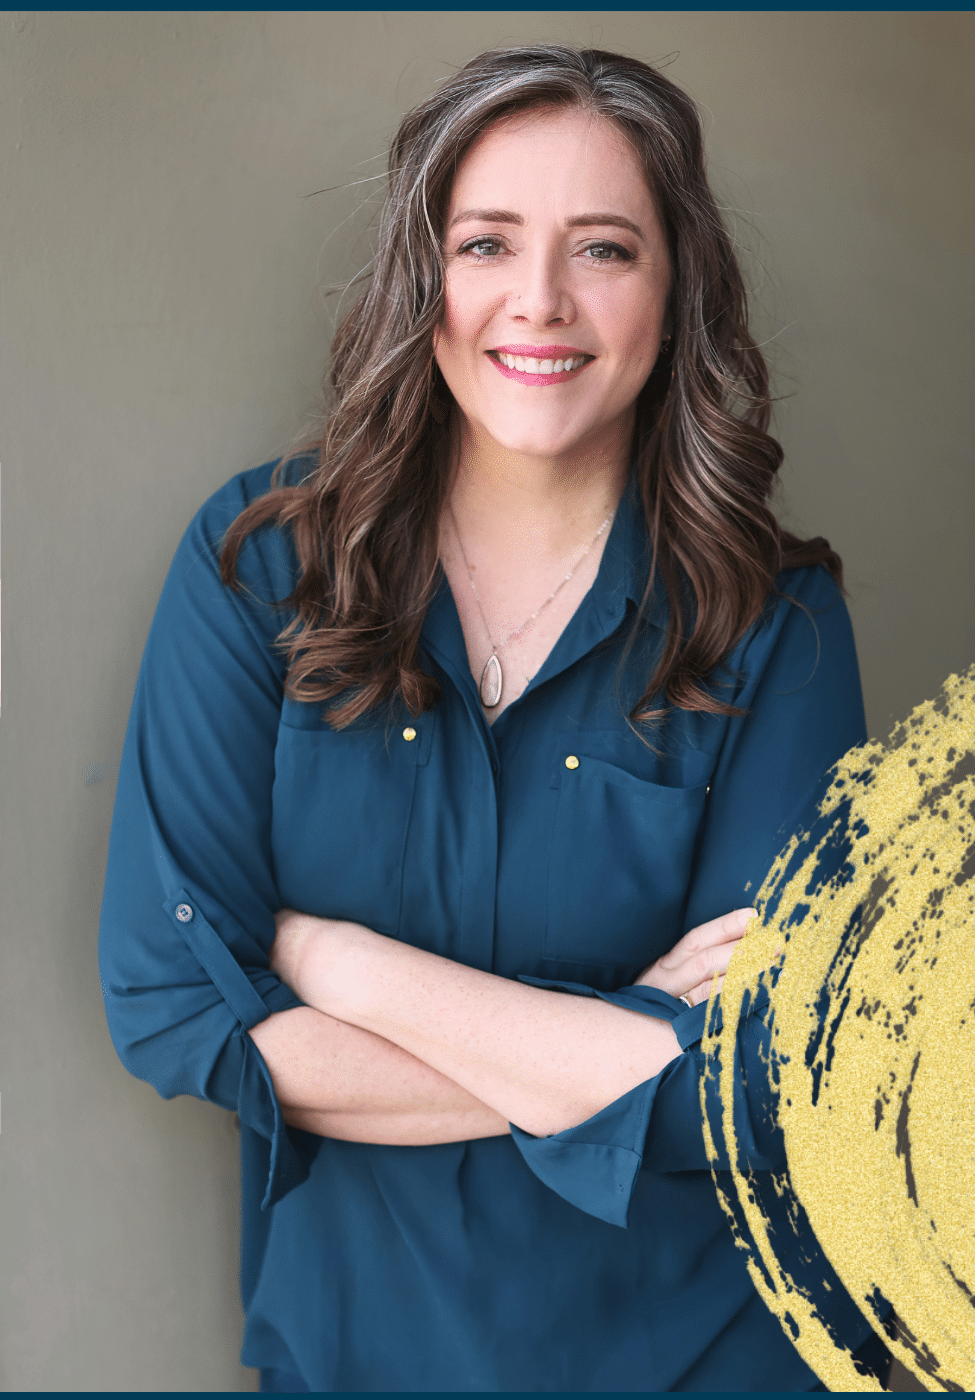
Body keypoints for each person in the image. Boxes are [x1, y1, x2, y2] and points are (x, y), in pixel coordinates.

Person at [99, 45, 888, 1392]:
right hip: (352, 1362)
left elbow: (759, 1087)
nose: (539, 303)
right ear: (426, 278)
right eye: (486, 245)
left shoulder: (779, 621)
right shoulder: (258, 568)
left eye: (604, 250)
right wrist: (627, 1034)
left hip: (706, 1363)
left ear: (673, 287)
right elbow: (176, 1009)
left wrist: (346, 967)